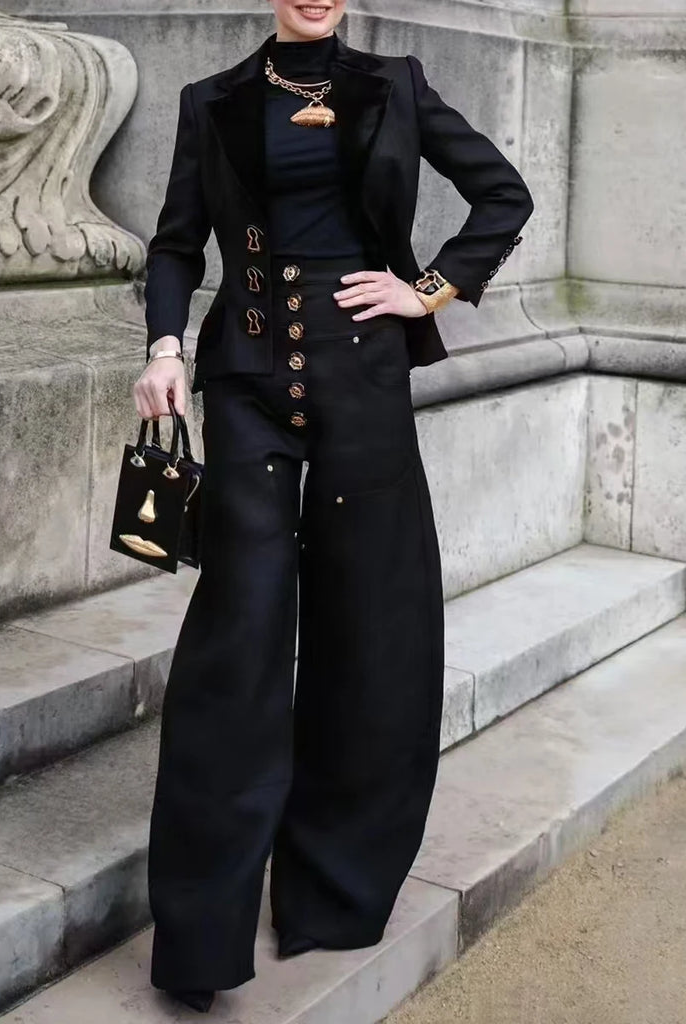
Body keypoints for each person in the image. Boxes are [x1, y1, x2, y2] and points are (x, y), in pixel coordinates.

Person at [133, 0, 534, 1013]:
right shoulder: (212, 101)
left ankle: (333, 893)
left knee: (370, 627)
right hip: (248, 385)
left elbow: (503, 194)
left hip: (363, 379)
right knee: (238, 639)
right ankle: (202, 935)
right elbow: (177, 245)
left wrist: (427, 289)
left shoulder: (394, 86)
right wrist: (165, 347)